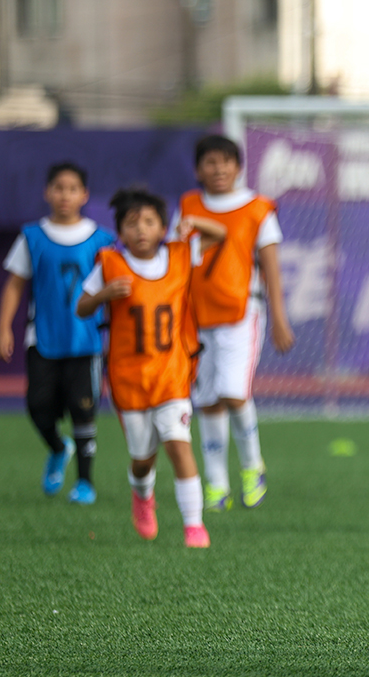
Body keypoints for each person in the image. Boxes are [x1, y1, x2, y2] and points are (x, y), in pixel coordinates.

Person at [77, 188, 226, 548]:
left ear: (163, 228)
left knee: (179, 445)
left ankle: (194, 525)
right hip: (129, 379)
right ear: (121, 232)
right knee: (143, 459)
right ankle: (142, 495)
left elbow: (221, 234)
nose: (141, 230)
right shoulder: (109, 265)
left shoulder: (179, 254)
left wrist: (193, 222)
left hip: (172, 374)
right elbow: (82, 307)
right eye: (132, 224)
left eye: (149, 222)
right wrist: (101, 296)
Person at [170, 135, 294, 513]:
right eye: (210, 162)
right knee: (207, 401)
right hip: (197, 317)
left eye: (226, 161)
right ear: (197, 169)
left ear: (238, 166)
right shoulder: (188, 206)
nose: (218, 169)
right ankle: (216, 484)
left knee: (233, 393)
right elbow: (177, 258)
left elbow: (270, 266)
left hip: (242, 313)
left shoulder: (257, 208)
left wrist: (279, 317)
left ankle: (252, 466)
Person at [0, 162, 116, 505]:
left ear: (85, 195)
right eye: (59, 188)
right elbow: (15, 285)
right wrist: (3, 326)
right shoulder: (32, 236)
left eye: (72, 188)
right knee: (38, 406)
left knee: (84, 409)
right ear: (47, 192)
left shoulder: (103, 239)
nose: (65, 195)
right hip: (44, 338)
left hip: (86, 341)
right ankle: (57, 447)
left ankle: (85, 483)